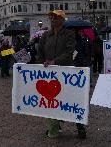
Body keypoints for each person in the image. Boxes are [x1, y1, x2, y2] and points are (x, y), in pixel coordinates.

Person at [38, 10, 86, 139]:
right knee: (53, 99)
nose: (53, 19)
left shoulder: (69, 34)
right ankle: (56, 124)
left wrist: (55, 61)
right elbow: (40, 51)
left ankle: (80, 126)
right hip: (50, 74)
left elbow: (70, 52)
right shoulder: (46, 35)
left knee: (71, 99)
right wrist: (42, 63)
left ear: (62, 19)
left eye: (56, 17)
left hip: (65, 73)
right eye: (51, 17)